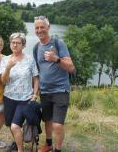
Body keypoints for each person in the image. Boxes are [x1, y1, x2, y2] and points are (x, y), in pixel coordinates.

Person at [33, 16, 75, 152]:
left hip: (60, 89)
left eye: (42, 27)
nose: (40, 30)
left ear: (48, 27)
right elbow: (37, 72)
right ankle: (49, 143)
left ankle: (57, 149)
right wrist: (35, 91)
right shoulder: (35, 48)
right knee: (47, 121)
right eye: (37, 28)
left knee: (57, 124)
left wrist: (56, 59)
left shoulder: (58, 43)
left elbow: (71, 67)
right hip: (45, 91)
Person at [0, 32, 39, 152]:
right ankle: (17, 143)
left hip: (25, 99)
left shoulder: (29, 59)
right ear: (10, 44)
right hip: (9, 97)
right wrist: (8, 67)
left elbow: (36, 78)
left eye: (18, 43)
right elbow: (3, 81)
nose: (15, 45)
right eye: (13, 42)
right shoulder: (5, 59)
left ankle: (20, 150)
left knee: (15, 126)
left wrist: (35, 94)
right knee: (10, 125)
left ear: (23, 45)